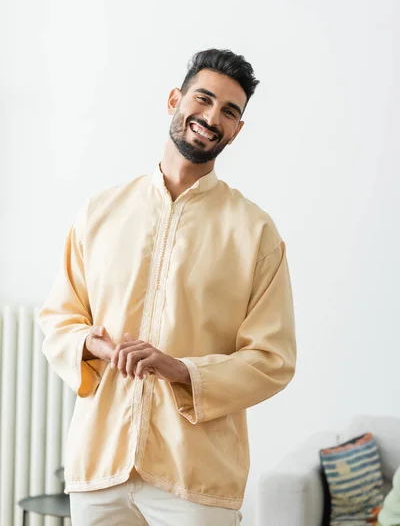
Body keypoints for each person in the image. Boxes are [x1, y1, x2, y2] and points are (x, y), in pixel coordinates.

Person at [39, 48, 297, 526]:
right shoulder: (100, 212)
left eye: (229, 111)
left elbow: (272, 360)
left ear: (237, 131)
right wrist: (88, 342)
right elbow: (57, 319)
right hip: (100, 466)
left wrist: (182, 371)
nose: (212, 117)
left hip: (194, 478)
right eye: (203, 99)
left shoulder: (255, 233)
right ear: (175, 99)